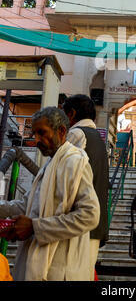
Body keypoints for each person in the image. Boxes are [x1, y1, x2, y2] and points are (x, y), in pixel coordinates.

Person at [0, 106, 100, 281]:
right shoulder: (50, 164)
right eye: (34, 133)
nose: (36, 139)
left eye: (42, 133)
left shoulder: (75, 162)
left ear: (61, 131)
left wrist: (34, 227)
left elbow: (90, 215)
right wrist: (14, 224)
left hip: (59, 268)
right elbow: (27, 205)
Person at [62, 94, 109, 281]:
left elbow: (68, 177)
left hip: (78, 223)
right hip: (92, 223)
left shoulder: (76, 134)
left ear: (71, 114)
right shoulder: (96, 137)